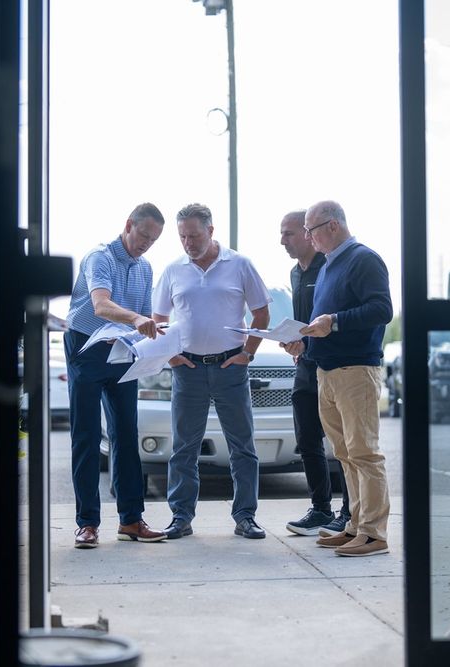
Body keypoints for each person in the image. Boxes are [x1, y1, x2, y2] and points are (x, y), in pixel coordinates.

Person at [151, 203, 271, 540]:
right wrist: (171, 356)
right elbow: (158, 320)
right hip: (188, 370)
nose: (188, 242)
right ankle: (181, 517)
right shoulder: (174, 270)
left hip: (230, 368)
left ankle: (245, 516)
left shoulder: (240, 264)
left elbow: (261, 314)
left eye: (194, 235)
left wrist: (248, 353)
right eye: (182, 236)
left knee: (242, 446)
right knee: (184, 448)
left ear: (211, 231)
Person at [283, 200, 393, 557]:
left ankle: (374, 534)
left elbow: (382, 309)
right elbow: (325, 321)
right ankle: (355, 526)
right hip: (326, 372)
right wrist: (305, 341)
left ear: (332, 226)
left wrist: (335, 321)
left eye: (310, 230)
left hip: (355, 371)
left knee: (364, 452)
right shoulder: (330, 265)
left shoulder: (364, 259)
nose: (307, 237)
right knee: (345, 454)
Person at [65, 203, 168, 549]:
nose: (145, 244)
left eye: (153, 240)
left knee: (127, 432)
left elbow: (144, 316)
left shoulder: (146, 267)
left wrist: (162, 341)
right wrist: (137, 320)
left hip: (123, 349)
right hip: (87, 347)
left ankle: (131, 520)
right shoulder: (100, 257)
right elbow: (101, 305)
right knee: (87, 433)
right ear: (128, 226)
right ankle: (87, 523)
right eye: (143, 235)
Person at [278, 210, 352, 537]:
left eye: (290, 233)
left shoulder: (331, 267)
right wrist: (295, 342)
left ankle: (350, 512)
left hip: (335, 365)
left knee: (345, 444)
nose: (283, 240)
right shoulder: (295, 273)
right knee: (308, 440)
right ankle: (321, 509)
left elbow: (336, 319)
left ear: (309, 234)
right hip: (305, 367)